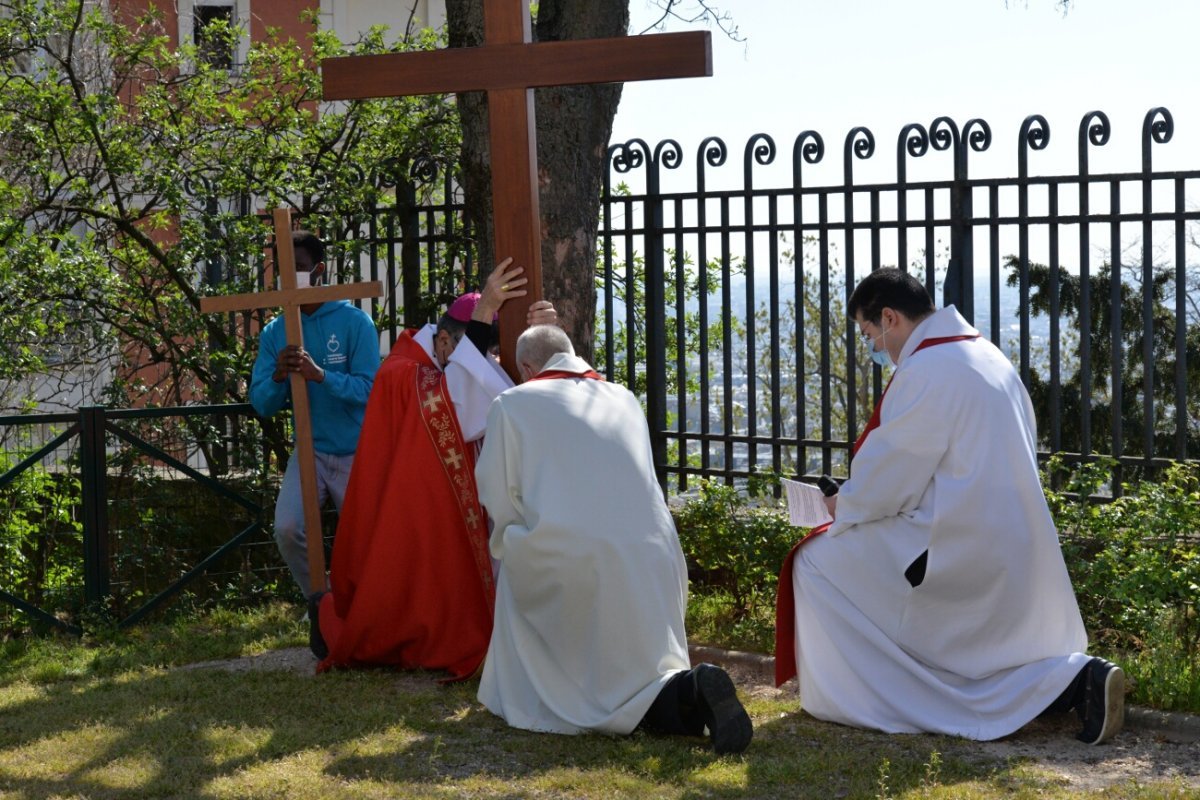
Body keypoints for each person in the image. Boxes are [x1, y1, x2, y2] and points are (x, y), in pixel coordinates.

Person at [774, 267, 1124, 745]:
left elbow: (886, 487)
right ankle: (1075, 679)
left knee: (813, 561)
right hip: (1014, 545)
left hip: (956, 553)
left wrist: (840, 503)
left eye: (868, 333)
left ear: (890, 318)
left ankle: (886, 697)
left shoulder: (927, 372)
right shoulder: (987, 356)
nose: (873, 348)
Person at [474, 325, 754, 754]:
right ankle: (688, 690)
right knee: (642, 669)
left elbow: (497, 495)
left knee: (514, 551)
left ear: (528, 368)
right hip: (655, 553)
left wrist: (517, 535)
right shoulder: (624, 398)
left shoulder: (512, 404)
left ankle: (569, 698)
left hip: (571, 556)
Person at [312, 259, 556, 679]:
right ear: (444, 340)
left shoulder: (454, 358)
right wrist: (481, 317)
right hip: (409, 504)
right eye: (471, 351)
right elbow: (458, 404)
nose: (484, 361)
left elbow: (501, 393)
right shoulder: (402, 369)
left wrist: (545, 336)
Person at [249, 230, 380, 598]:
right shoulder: (276, 332)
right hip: (310, 451)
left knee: (366, 539)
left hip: (355, 452)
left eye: (301, 269)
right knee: (288, 528)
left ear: (319, 270)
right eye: (283, 270)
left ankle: (365, 612)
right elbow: (261, 403)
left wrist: (321, 376)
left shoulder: (355, 323)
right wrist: (279, 376)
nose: (289, 280)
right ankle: (318, 602)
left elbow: (370, 391)